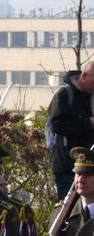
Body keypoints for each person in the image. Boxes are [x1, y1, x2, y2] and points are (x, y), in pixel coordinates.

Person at [48, 60, 94, 200]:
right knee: (68, 209)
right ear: (84, 76)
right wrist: (88, 123)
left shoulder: (92, 97)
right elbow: (56, 124)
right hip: (67, 166)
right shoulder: (64, 95)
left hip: (90, 167)